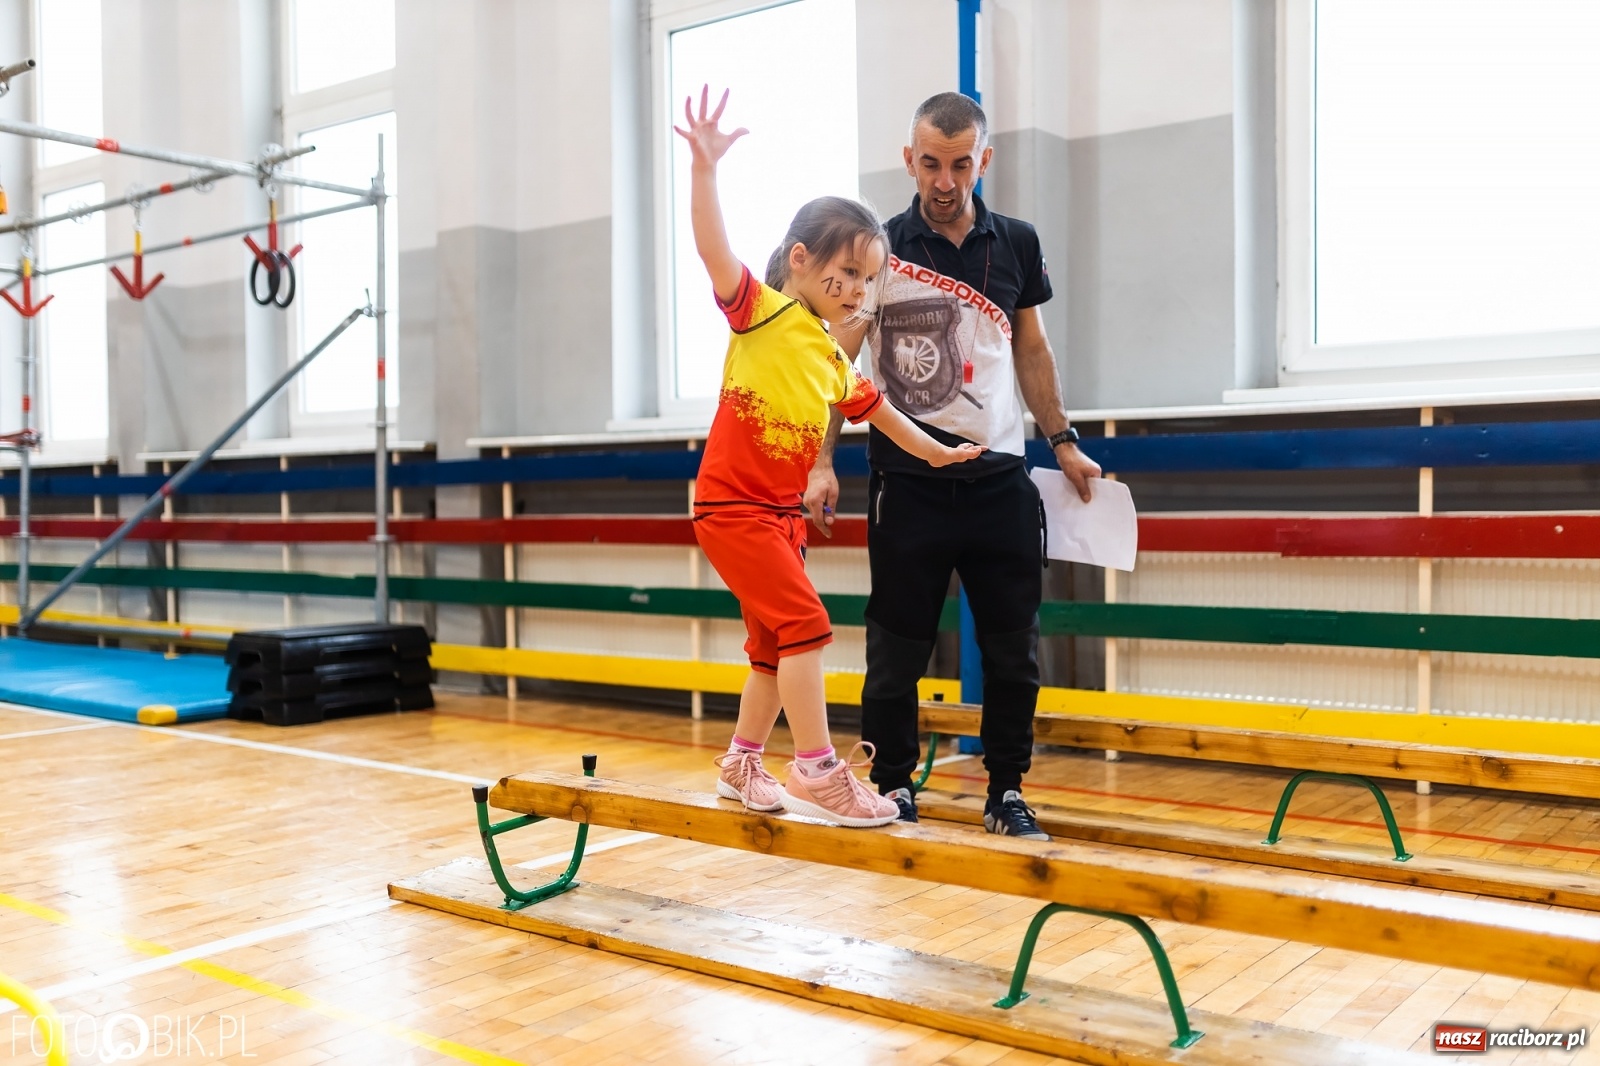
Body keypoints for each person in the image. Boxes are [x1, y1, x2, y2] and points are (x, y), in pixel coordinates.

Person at [675, 87, 985, 828]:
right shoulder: (761, 313)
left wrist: (939, 454)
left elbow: (886, 417)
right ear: (801, 260)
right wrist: (705, 170)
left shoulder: (832, 358)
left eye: (867, 280)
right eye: (844, 273)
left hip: (779, 518)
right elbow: (713, 248)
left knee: (771, 647)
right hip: (733, 508)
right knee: (807, 624)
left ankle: (741, 762)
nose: (855, 291)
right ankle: (816, 768)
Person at [806, 92, 1102, 839]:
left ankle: (1006, 791)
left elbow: (1031, 348)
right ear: (909, 160)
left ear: (983, 160)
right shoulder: (877, 248)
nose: (945, 181)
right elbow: (839, 358)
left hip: (1000, 480)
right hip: (907, 485)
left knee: (1013, 649)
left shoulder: (1019, 243)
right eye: (931, 164)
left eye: (961, 165)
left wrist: (1064, 440)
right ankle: (892, 786)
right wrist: (820, 460)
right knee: (896, 647)